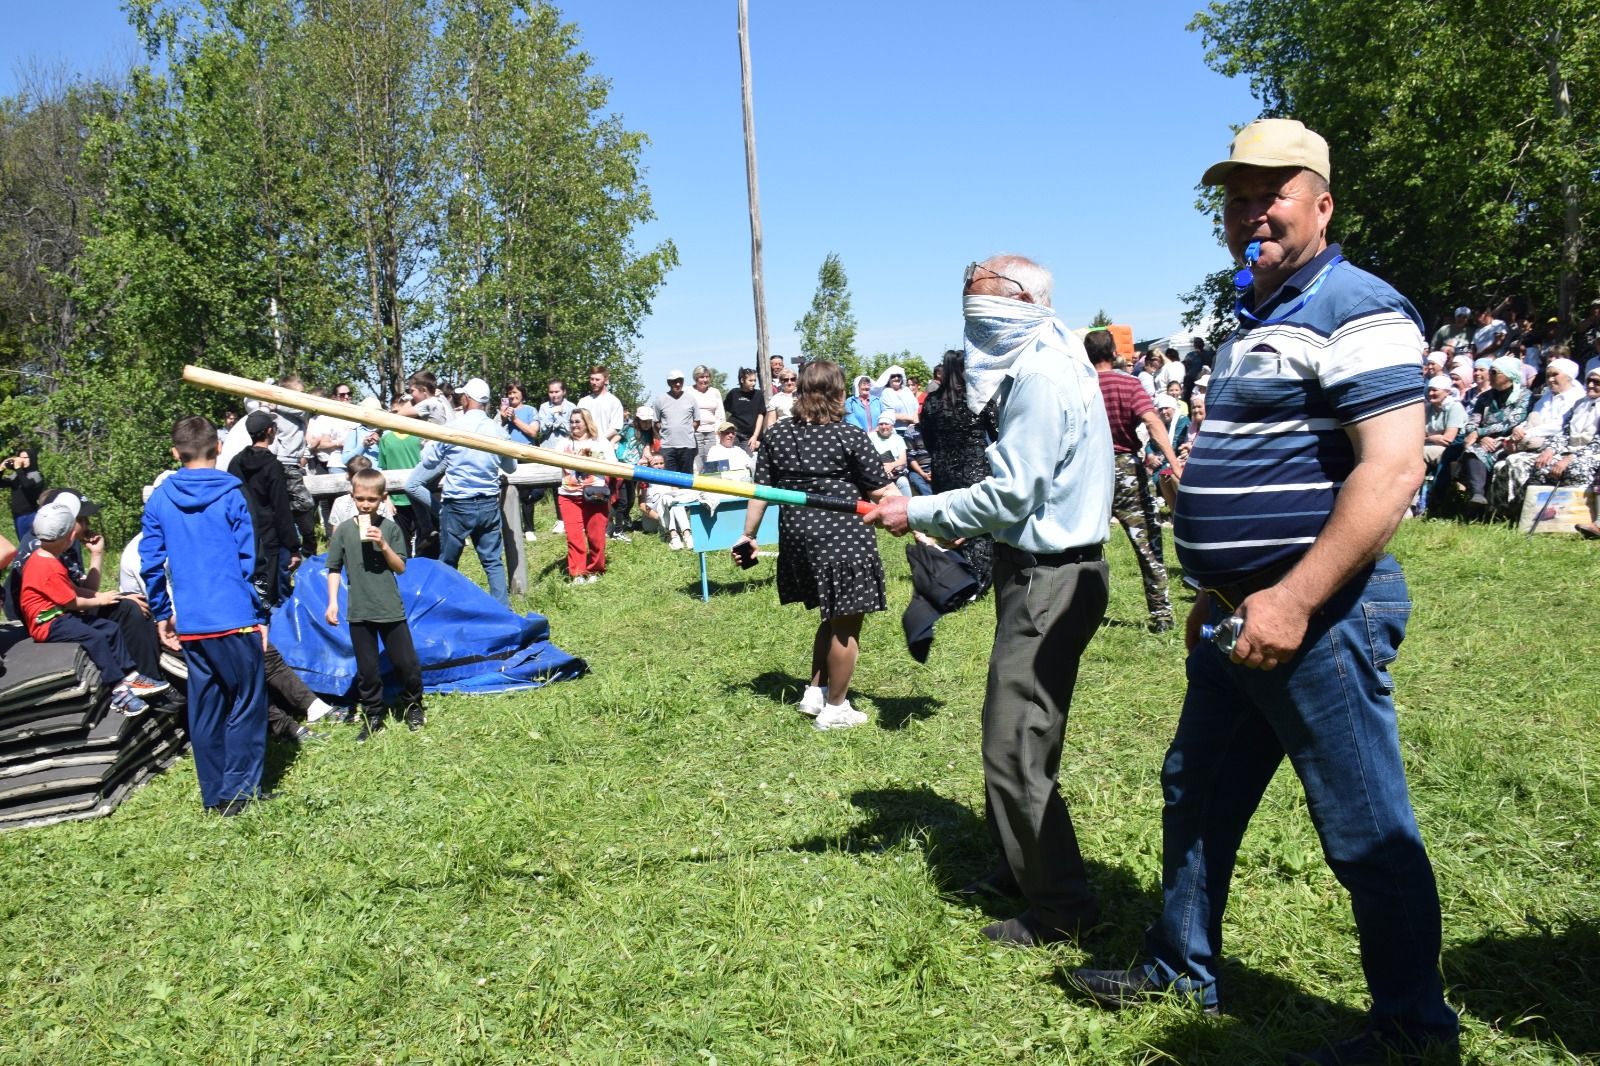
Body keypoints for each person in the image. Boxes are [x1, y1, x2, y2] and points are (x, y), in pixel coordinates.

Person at [1068, 117, 1459, 1066]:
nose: (1252, 213)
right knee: (1194, 791)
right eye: (1237, 197)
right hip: (1237, 611)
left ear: (1322, 203)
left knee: (1364, 827)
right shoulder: (1257, 318)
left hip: (1319, 614)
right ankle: (1180, 966)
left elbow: (1392, 469)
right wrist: (1219, 585)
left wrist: (1290, 597)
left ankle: (1414, 1030)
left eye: (1271, 192)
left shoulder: (1356, 305)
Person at [865, 254, 1113, 948]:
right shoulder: (1058, 353)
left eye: (985, 302)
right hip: (1042, 568)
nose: (974, 316)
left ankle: (1061, 905)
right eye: (968, 302)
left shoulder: (1040, 375)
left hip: (1049, 575)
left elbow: (1011, 494)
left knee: (1013, 741)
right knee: (1024, 729)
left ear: (1026, 303)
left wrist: (916, 510)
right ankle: (1019, 865)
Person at [734, 359, 899, 730]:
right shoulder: (849, 435)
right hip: (842, 537)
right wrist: (918, 518)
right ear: (838, 392)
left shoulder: (777, 435)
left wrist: (748, 534)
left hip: (797, 537)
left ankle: (815, 692)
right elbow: (881, 489)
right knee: (846, 623)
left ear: (802, 390)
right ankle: (836, 708)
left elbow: (760, 491)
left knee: (832, 615)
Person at [141, 415, 270, 816]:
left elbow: (150, 563)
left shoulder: (160, 499)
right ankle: (240, 792)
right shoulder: (234, 493)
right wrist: (261, 612)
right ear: (218, 448)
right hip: (234, 617)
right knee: (246, 703)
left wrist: (162, 612)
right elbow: (252, 559)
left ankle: (214, 793)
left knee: (207, 706)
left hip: (193, 622)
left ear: (174, 453)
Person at [19, 497, 170, 717]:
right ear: (70, 536)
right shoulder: (46, 566)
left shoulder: (47, 557)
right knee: (95, 637)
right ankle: (118, 689)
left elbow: (74, 590)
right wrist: (100, 600)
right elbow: (71, 601)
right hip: (47, 622)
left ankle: (131, 675)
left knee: (110, 629)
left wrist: (102, 595)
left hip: (60, 615)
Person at [1087, 329, 1183, 632]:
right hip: (1127, 470)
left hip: (1088, 472)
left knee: (1083, 549)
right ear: (1114, 351)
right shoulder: (1129, 384)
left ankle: (1079, 614)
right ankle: (1162, 617)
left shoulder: (1079, 387)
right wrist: (1174, 462)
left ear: (1087, 356)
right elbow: (1152, 421)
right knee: (1148, 547)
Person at [325, 466, 425, 740]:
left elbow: (400, 567)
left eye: (372, 499)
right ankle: (373, 717)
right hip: (359, 611)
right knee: (367, 670)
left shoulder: (390, 529)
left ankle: (414, 706)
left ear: (383, 498)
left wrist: (383, 545)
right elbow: (334, 568)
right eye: (360, 499)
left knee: (407, 663)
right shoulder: (344, 531)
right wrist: (332, 602)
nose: (366, 504)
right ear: (352, 497)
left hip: (389, 607)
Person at [404, 377, 516, 606]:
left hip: (457, 505)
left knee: (448, 564)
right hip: (487, 502)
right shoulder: (498, 431)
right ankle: (503, 612)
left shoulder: (452, 429)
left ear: (466, 399)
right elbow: (510, 467)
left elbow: (429, 459)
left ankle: (445, 609)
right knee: (493, 562)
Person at [918, 348, 995, 594]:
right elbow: (996, 432)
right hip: (974, 466)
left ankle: (956, 575)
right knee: (978, 522)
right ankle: (979, 580)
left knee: (950, 521)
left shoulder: (931, 401)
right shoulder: (978, 398)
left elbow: (926, 437)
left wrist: (939, 456)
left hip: (943, 468)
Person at [1491, 354, 1585, 513]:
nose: (1551, 379)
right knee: (1500, 465)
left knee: (1514, 461)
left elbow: (1559, 426)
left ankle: (1521, 512)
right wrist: (1520, 429)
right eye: (1548, 375)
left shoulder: (1577, 398)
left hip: (1557, 446)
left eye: (1555, 375)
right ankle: (1496, 512)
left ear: (1568, 377)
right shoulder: (1546, 397)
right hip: (1532, 440)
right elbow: (1531, 419)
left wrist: (1527, 432)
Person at [228, 410, 303, 607]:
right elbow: (281, 508)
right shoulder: (273, 465)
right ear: (270, 431)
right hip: (271, 538)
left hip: (244, 534)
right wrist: (293, 547)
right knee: (273, 594)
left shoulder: (235, 463)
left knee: (251, 590)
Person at [1456, 355, 1529, 509]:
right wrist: (1479, 435)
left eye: (1494, 372)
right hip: (1484, 440)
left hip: (1510, 438)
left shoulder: (1524, 396)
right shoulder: (1485, 397)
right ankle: (1478, 496)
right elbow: (1472, 421)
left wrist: (1480, 432)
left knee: (1480, 450)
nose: (1490, 375)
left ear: (1509, 375)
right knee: (1472, 449)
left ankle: (1482, 502)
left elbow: (1512, 421)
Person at [555, 408, 613, 584]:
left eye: (577, 421)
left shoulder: (600, 442)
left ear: (587, 422)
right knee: (574, 536)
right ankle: (578, 573)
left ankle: (595, 569)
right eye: (571, 422)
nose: (574, 425)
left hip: (595, 493)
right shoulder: (562, 443)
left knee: (596, 535)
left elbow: (613, 465)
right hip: (568, 495)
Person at [636, 452, 695, 550]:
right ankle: (676, 535)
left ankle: (685, 534)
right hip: (653, 519)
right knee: (667, 499)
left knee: (672, 500)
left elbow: (677, 497)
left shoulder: (668, 478)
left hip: (670, 513)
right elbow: (642, 507)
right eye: (655, 464)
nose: (659, 466)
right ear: (650, 465)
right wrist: (661, 517)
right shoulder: (644, 481)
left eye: (661, 463)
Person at [651, 369, 698, 474]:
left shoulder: (691, 398)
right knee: (669, 478)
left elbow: (697, 421)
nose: (678, 384)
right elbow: (656, 422)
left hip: (687, 446)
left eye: (680, 381)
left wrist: (687, 431)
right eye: (674, 381)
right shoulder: (660, 399)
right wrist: (666, 433)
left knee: (687, 478)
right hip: (668, 446)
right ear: (668, 382)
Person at [1423, 373, 1467, 474]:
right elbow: (1419, 435)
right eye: (1429, 390)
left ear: (1446, 392)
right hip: (1429, 446)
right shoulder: (1428, 408)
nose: (1430, 393)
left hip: (1452, 449)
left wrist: (1427, 438)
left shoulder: (1455, 407)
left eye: (1435, 390)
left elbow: (1447, 439)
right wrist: (1432, 438)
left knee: (1415, 454)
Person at [2, 446, 47, 540]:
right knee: (22, 543)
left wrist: (18, 468)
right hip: (17, 516)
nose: (22, 460)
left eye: (25, 458)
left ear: (32, 459)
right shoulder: (16, 475)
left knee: (31, 543)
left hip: (30, 515)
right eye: (20, 457)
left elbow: (26, 485)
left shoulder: (36, 475)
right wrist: (1, 469)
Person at [577, 366, 625, 447]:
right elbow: (577, 423)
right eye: (592, 379)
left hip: (605, 446)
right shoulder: (583, 402)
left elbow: (616, 428)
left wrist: (598, 440)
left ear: (606, 381)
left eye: (597, 379)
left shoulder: (614, 402)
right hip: (583, 445)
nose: (594, 382)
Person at [869, 411, 912, 497]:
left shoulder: (898, 439)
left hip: (895, 472)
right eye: (881, 424)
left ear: (892, 426)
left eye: (886, 424)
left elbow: (903, 460)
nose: (884, 427)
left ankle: (908, 505)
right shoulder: (871, 437)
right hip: (877, 472)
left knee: (903, 481)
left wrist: (891, 466)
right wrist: (882, 468)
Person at [724, 367, 767, 453]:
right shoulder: (734, 393)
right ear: (742, 380)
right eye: (750, 381)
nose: (754, 383)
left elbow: (761, 415)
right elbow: (723, 410)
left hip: (750, 436)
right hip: (734, 433)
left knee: (749, 460)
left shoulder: (758, 394)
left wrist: (755, 436)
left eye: (755, 380)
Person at [689, 365, 724, 463]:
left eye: (707, 377)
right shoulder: (688, 391)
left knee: (712, 460)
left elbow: (720, 414)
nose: (705, 380)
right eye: (701, 377)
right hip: (695, 432)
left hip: (712, 432)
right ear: (696, 378)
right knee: (697, 461)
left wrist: (720, 431)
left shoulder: (715, 392)